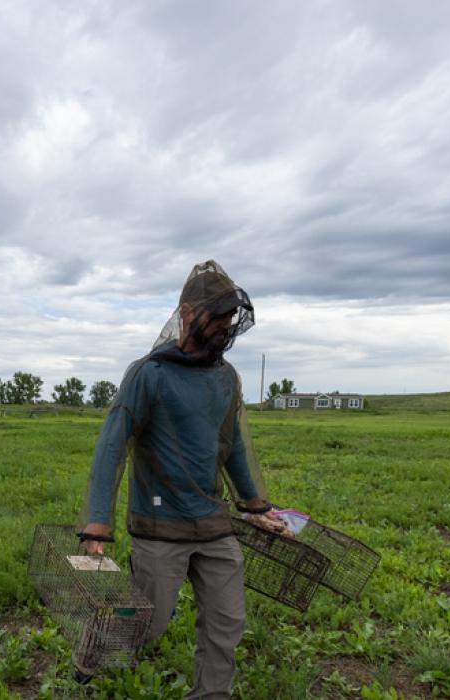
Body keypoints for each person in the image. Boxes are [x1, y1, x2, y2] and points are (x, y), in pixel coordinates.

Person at [77, 260, 285, 699]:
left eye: (231, 318)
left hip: (214, 524)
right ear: (188, 313)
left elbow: (234, 448)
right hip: (159, 527)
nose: (225, 327)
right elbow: (113, 443)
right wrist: (97, 522)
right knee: (148, 625)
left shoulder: (226, 378)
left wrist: (256, 504)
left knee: (227, 623)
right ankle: (95, 648)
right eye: (218, 316)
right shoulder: (148, 373)